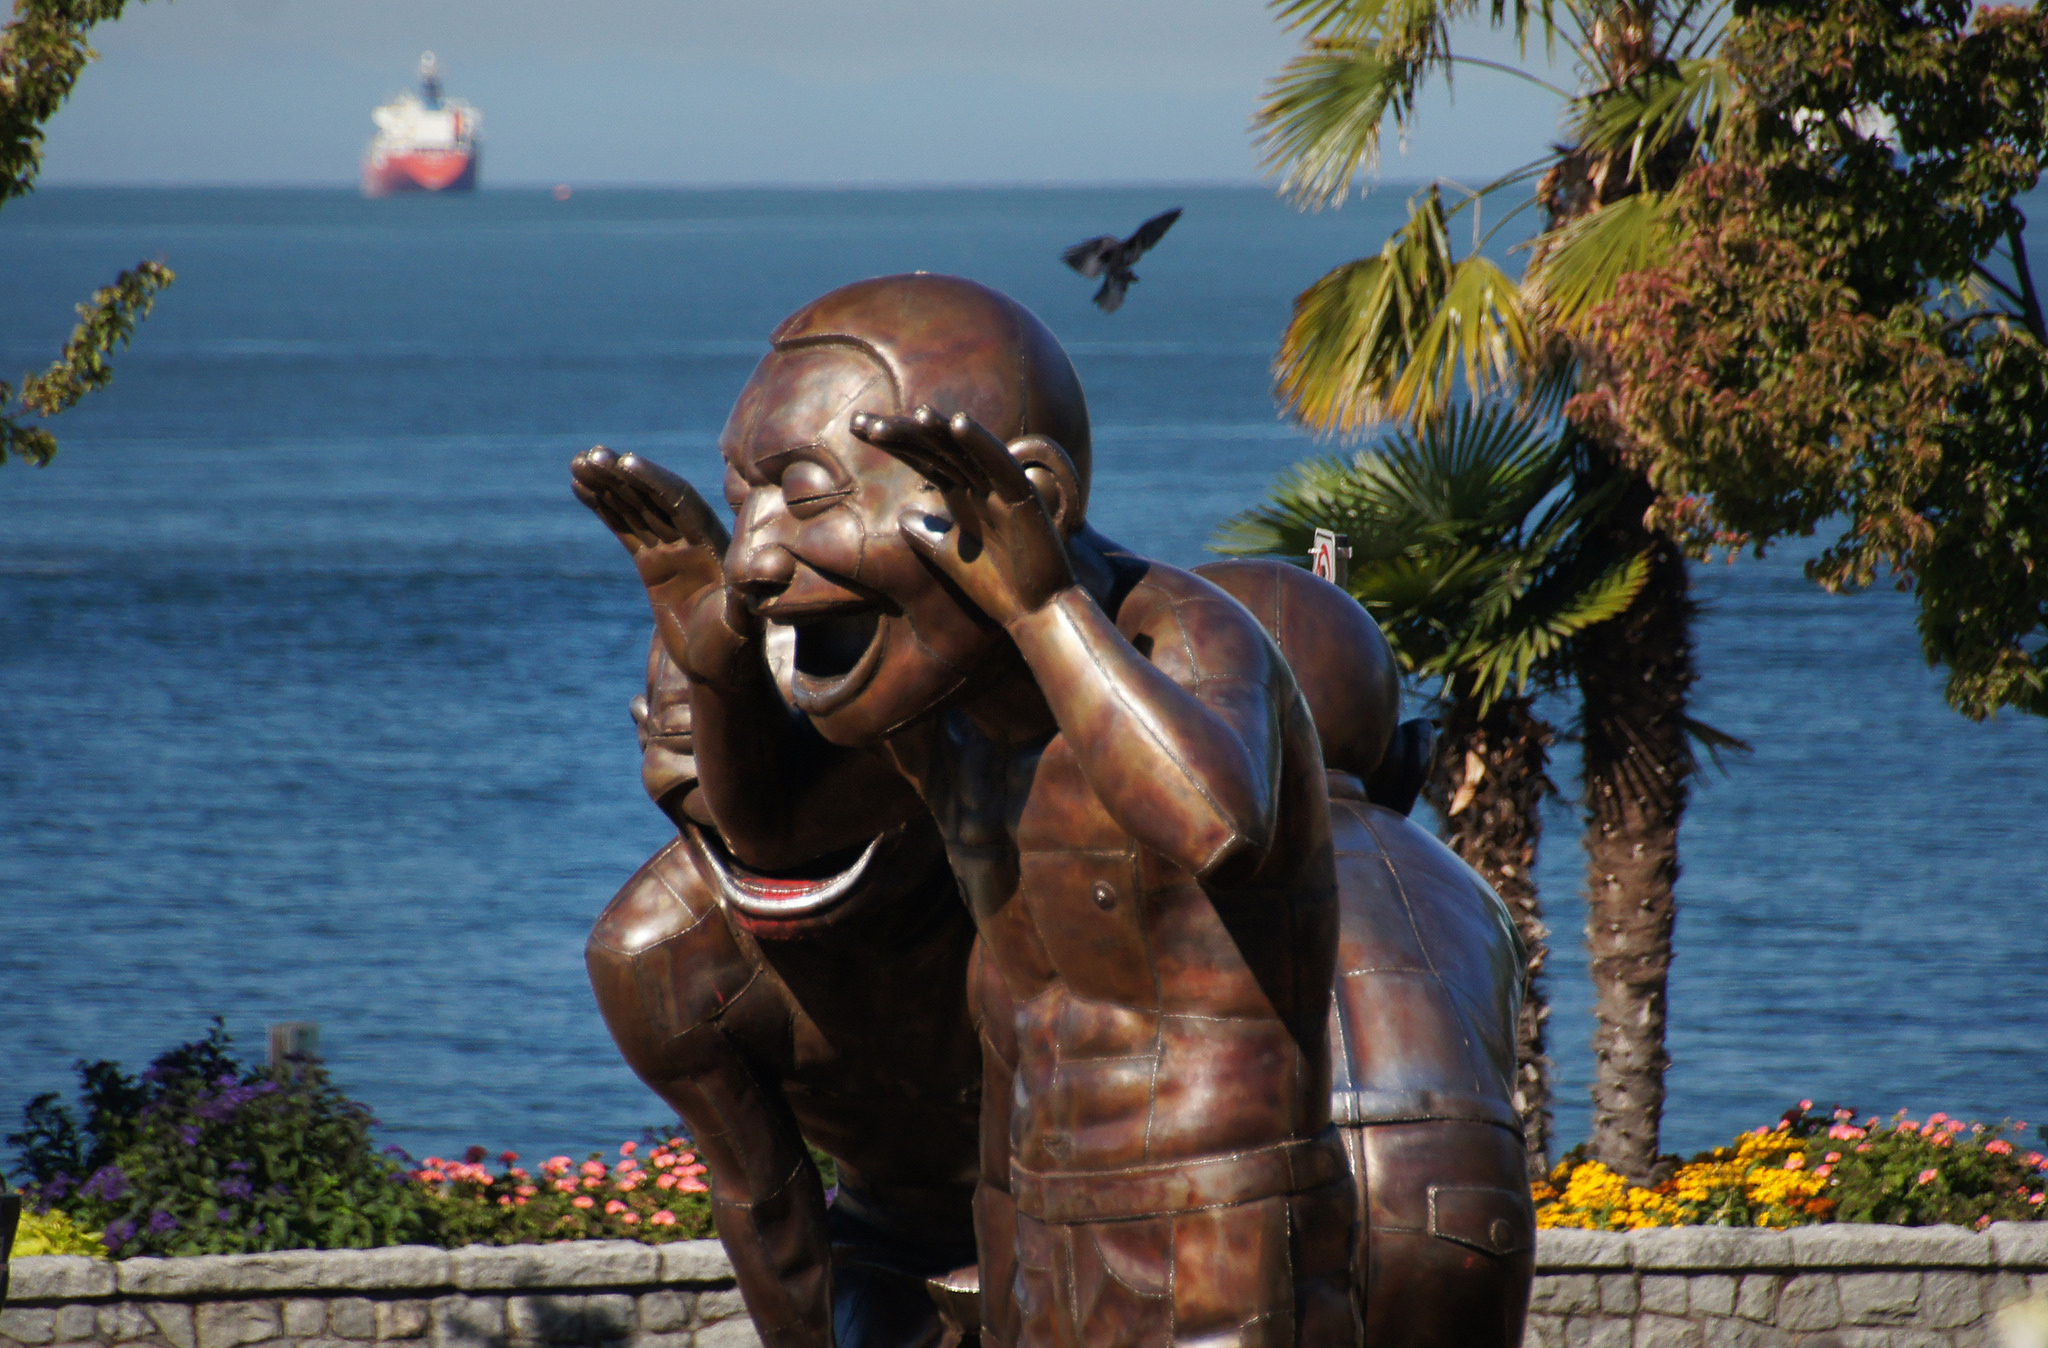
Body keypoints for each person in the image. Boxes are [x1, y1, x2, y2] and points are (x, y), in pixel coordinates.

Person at [592, 273, 1355, 1348]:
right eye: (740, 505)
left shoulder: (1179, 637)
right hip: (1033, 1226)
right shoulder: (932, 717)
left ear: (1024, 498)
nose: (756, 560)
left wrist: (1041, 606)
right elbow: (770, 830)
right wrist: (711, 659)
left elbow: (1212, 824)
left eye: (803, 496)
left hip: (1211, 1216)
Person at [576, 463, 986, 1348]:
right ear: (641, 728)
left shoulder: (1019, 855)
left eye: (813, 753)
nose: (741, 808)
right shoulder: (662, 957)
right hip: (892, 1245)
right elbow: (769, 1214)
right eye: (688, 744)